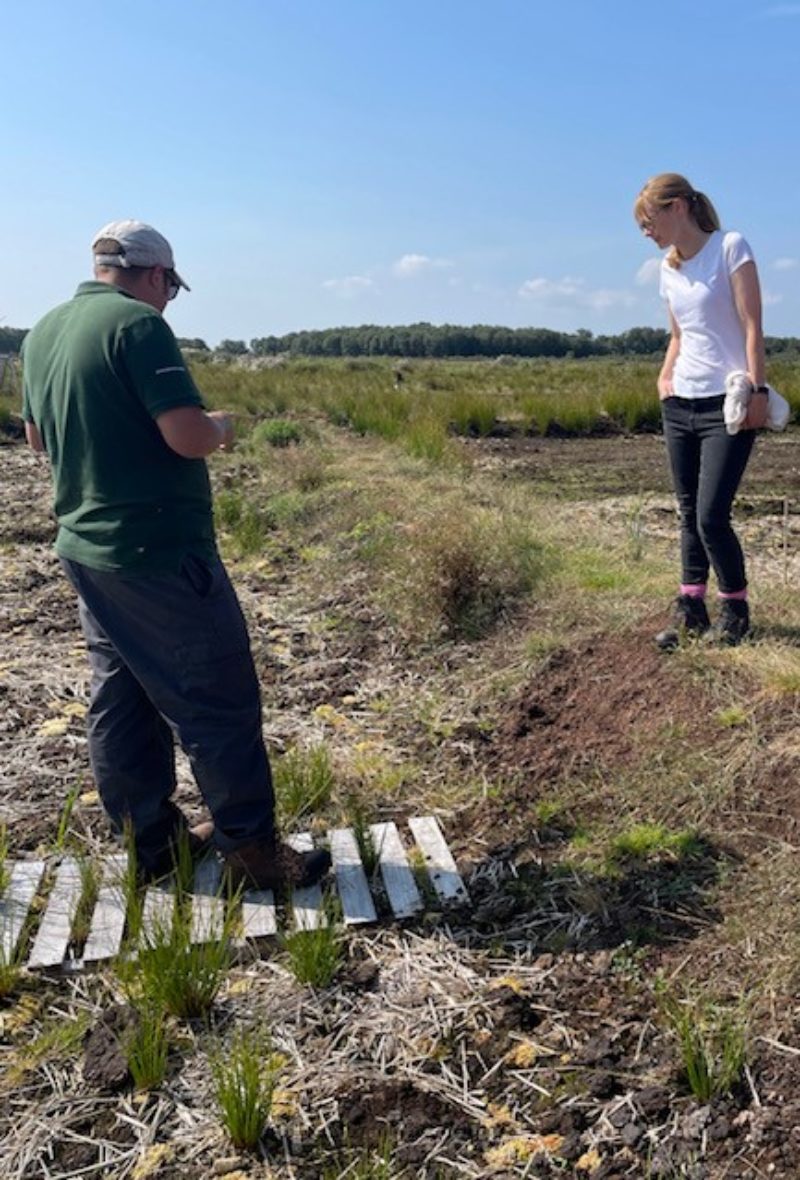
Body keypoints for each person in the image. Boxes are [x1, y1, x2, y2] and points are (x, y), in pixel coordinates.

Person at [21, 219, 331, 890]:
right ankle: (253, 853)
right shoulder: (138, 328)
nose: (168, 300)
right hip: (157, 553)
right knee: (217, 700)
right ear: (157, 275)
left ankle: (154, 846)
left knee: (122, 697)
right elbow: (186, 436)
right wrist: (221, 427)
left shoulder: (42, 331)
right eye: (171, 288)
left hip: (87, 547)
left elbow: (36, 440)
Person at [634, 174, 768, 649]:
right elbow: (678, 336)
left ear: (678, 208)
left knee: (712, 514)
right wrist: (664, 379)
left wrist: (758, 388)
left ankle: (735, 609)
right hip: (680, 401)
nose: (646, 232)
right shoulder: (668, 270)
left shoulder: (731, 247)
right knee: (688, 511)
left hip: (728, 402)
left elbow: (753, 326)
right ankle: (691, 607)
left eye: (648, 221)